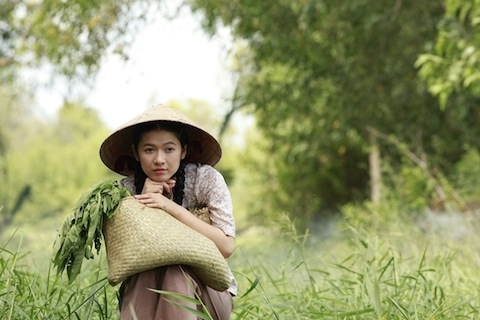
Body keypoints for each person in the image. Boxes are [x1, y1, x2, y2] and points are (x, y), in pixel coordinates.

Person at [99, 104, 236, 319]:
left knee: (175, 273)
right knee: (145, 273)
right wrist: (140, 206)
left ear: (184, 151)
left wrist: (169, 207)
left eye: (169, 149)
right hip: (147, 290)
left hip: (210, 292)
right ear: (136, 152)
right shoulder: (124, 191)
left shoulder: (205, 180)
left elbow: (226, 247)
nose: (159, 159)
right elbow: (125, 258)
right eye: (149, 150)